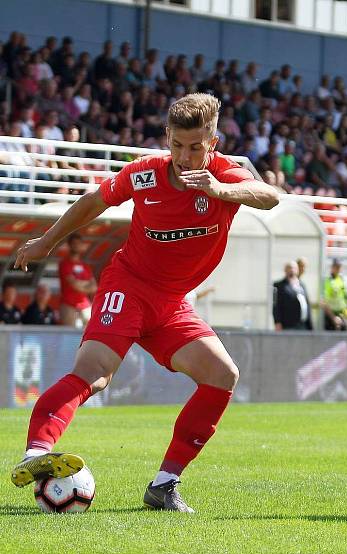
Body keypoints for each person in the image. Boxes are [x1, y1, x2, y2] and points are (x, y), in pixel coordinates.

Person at [10, 93, 282, 512]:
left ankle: (164, 485)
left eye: (195, 147)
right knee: (96, 373)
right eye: (176, 145)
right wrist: (48, 240)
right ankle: (36, 452)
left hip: (172, 304)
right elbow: (93, 202)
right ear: (167, 137)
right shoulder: (146, 175)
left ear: (212, 142)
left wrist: (221, 189)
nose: (184, 156)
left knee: (221, 375)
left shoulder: (224, 175)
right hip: (130, 286)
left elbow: (269, 196)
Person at [58, 233, 97, 327]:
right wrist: (86, 285)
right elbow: (74, 284)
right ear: (69, 245)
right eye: (74, 243)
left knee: (89, 332)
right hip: (68, 305)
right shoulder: (64, 264)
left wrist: (80, 285)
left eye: (78, 243)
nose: (76, 246)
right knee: (69, 335)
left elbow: (94, 287)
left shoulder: (85, 266)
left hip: (85, 305)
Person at [273, 261, 312, 331]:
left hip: (303, 325)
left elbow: (307, 304)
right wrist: (277, 322)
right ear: (285, 270)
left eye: (294, 268)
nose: (292, 270)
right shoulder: (278, 285)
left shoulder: (302, 285)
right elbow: (276, 306)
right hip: (288, 325)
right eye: (289, 268)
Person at [322, 258, 347, 331]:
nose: (338, 269)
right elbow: (324, 302)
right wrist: (333, 318)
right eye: (337, 267)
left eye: (340, 267)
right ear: (332, 267)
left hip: (341, 316)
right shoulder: (328, 281)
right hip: (331, 317)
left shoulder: (341, 280)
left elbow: (344, 298)